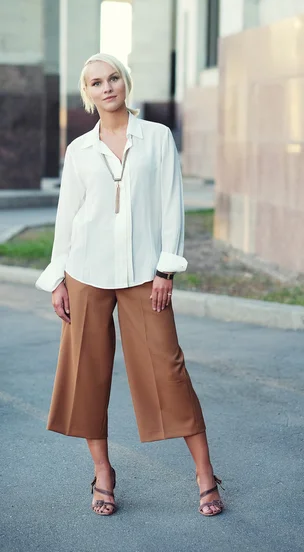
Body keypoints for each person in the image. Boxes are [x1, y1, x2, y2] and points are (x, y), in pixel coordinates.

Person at [35, 53, 224, 517]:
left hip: (145, 275)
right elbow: (68, 217)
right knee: (85, 375)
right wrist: (58, 277)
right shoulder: (79, 150)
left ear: (126, 83)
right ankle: (103, 473)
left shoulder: (158, 139)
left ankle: (204, 475)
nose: (107, 87)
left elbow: (171, 206)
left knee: (168, 371)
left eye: (113, 77)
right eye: (96, 82)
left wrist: (166, 270)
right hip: (86, 273)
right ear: (87, 94)